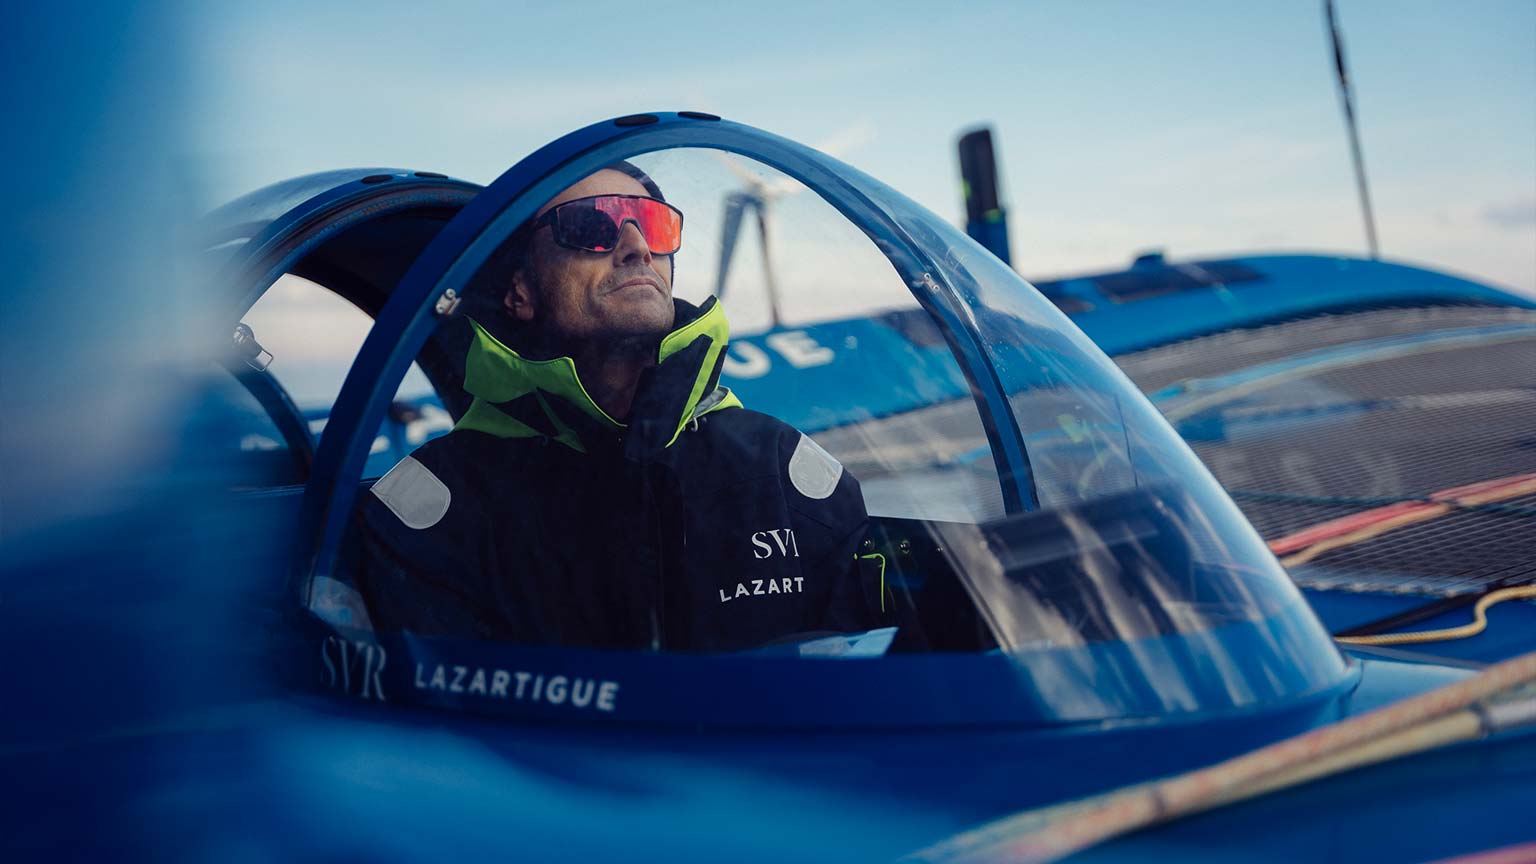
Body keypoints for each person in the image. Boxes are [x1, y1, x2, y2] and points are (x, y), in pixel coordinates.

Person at [354, 163, 883, 651]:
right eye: (589, 225)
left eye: (654, 226)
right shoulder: (428, 514)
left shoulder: (782, 465)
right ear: (519, 292)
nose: (637, 248)